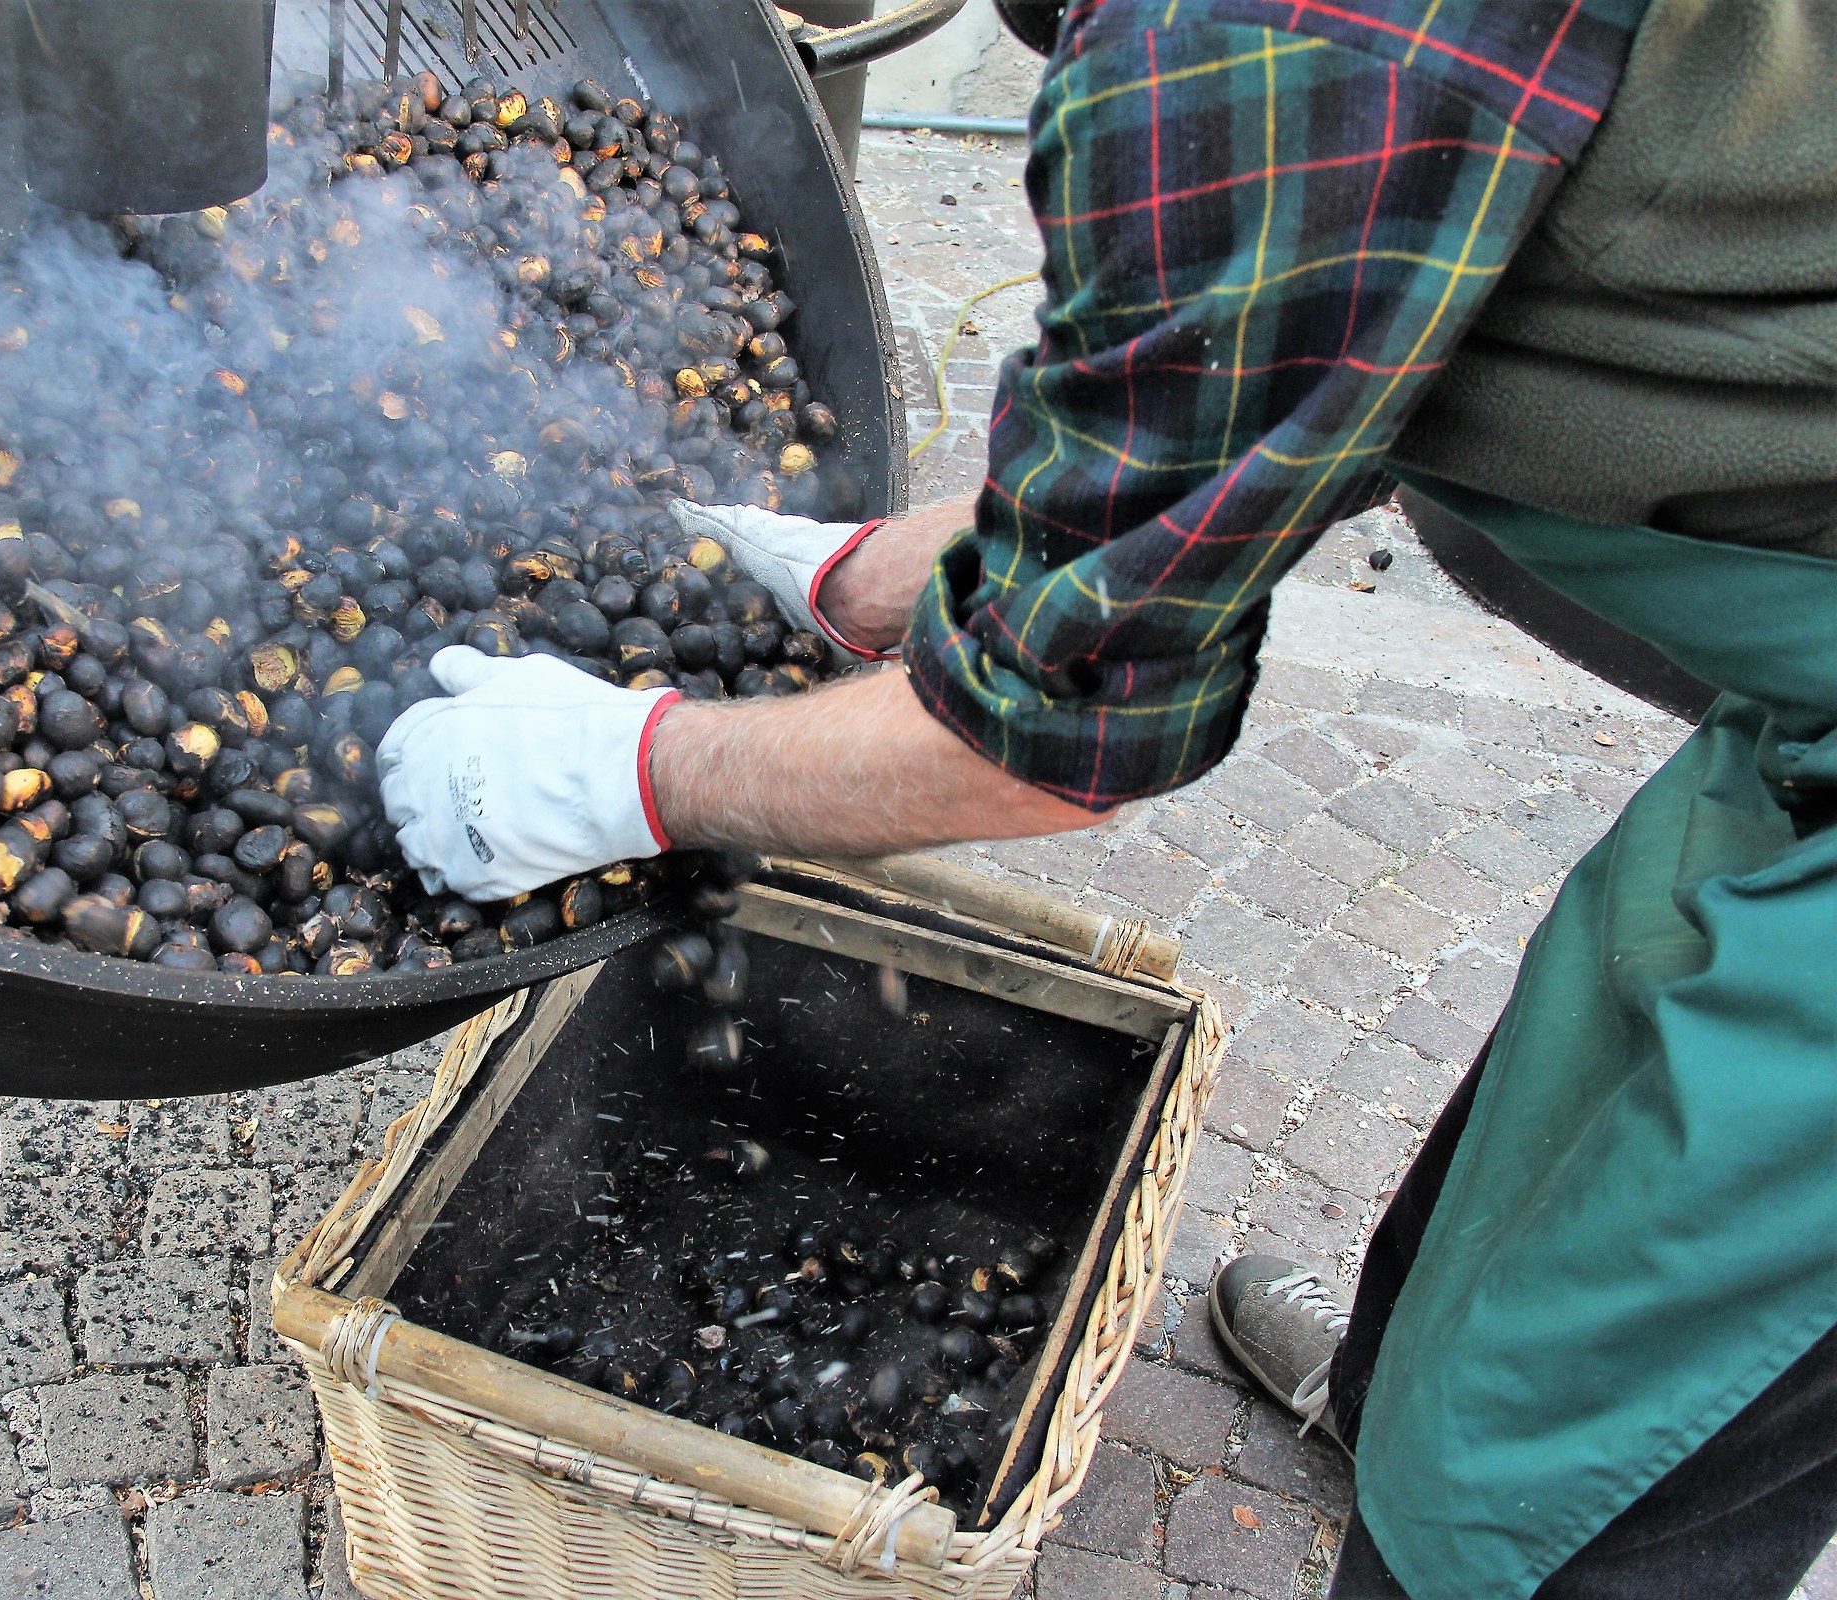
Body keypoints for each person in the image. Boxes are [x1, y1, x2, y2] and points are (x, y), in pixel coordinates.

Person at [377, 0, 1837, 1593]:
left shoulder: (1268, 29)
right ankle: (1394, 1392)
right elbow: (1324, 330)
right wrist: (896, 581)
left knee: (1582, 1454)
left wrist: (633, 769)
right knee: (1611, 1027)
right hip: (1804, 696)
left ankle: (1473, 1514)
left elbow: (1047, 748)